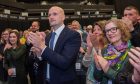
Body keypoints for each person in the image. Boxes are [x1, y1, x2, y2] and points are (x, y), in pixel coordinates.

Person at [27, 6, 81, 84]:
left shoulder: (73, 35)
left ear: (63, 17)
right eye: (49, 15)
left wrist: (42, 46)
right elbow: (46, 61)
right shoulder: (48, 37)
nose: (51, 17)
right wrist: (39, 54)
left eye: (55, 14)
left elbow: (64, 62)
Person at [93, 19, 133, 84]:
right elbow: (97, 78)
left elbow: (128, 81)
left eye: (113, 29)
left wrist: (107, 68)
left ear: (122, 31)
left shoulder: (132, 52)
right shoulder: (103, 51)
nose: (109, 33)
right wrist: (98, 68)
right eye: (107, 31)